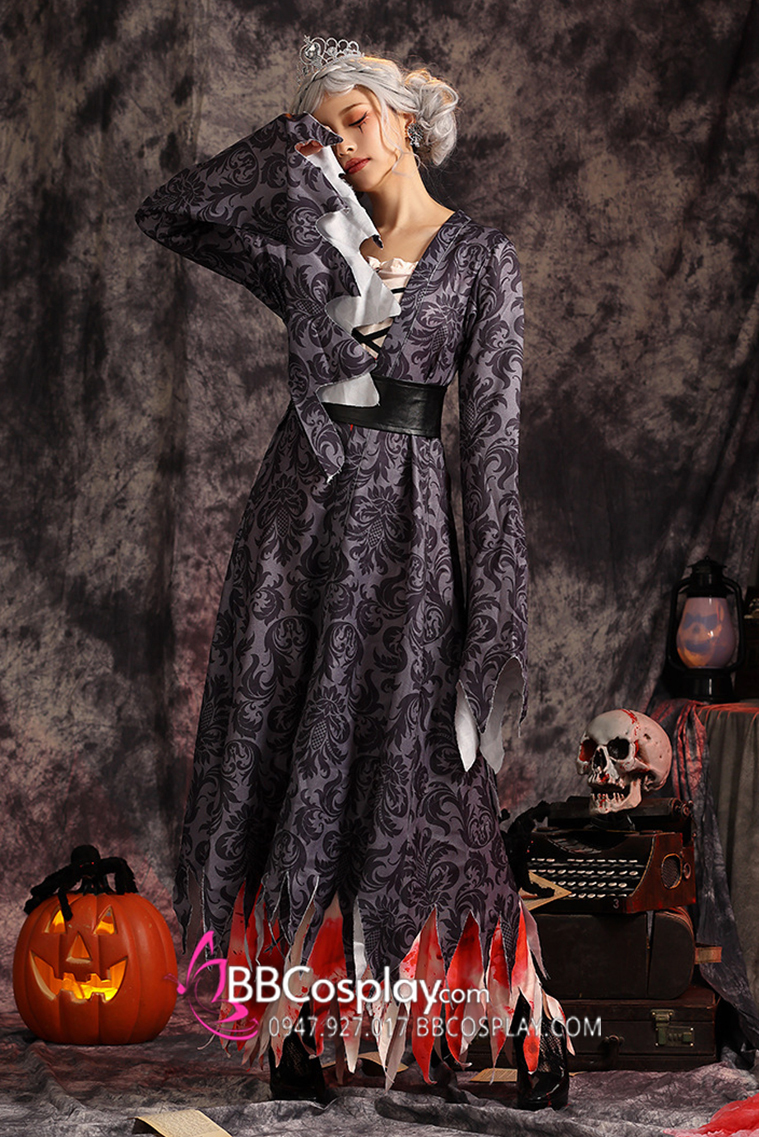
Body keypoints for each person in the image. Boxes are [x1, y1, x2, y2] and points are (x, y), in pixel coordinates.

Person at [136, 37, 568, 1110]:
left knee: (419, 770)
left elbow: (492, 451)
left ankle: (504, 1021)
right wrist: (287, 156)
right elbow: (173, 213)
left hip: (409, 538)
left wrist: (494, 614)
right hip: (296, 527)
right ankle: (297, 1021)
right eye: (322, 131)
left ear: (405, 119)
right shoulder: (311, 247)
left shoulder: (480, 258)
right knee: (284, 756)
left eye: (354, 121)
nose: (341, 145)